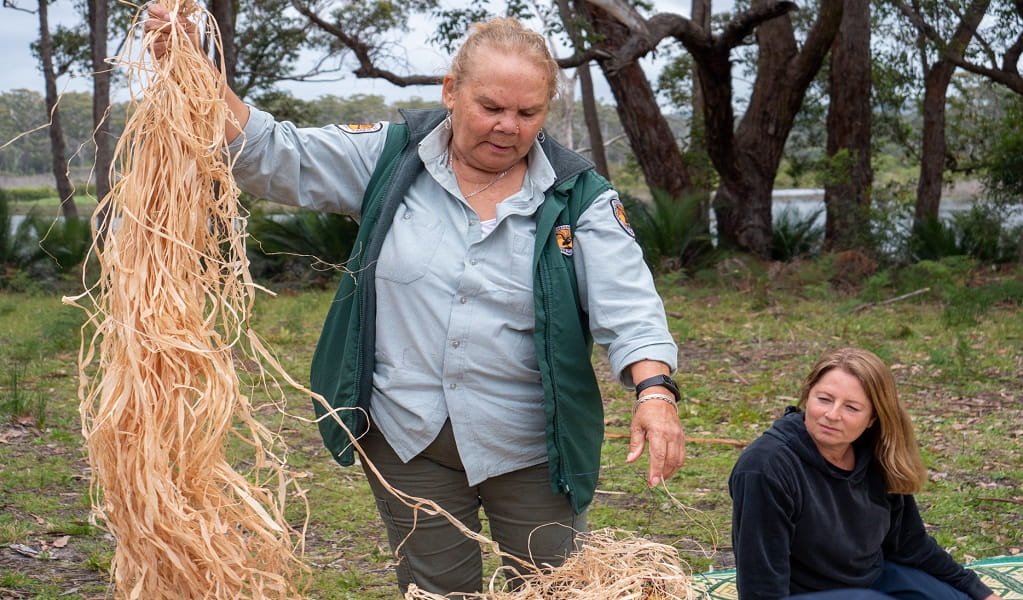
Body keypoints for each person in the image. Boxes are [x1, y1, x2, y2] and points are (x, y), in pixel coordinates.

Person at [145, 8, 685, 597]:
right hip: (407, 437)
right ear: (451, 91)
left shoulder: (578, 196)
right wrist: (191, 63)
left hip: (531, 445)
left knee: (555, 586)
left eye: (527, 113)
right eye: (491, 107)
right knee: (436, 588)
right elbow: (271, 153)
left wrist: (654, 393)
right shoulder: (392, 157)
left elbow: (629, 308)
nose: (508, 126)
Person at [729, 347, 1002, 600]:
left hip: (869, 580)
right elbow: (761, 584)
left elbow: (910, 543)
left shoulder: (874, 453)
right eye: (824, 399)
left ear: (873, 418)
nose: (832, 415)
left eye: (852, 407)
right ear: (807, 397)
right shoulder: (765, 467)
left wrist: (978, 590)